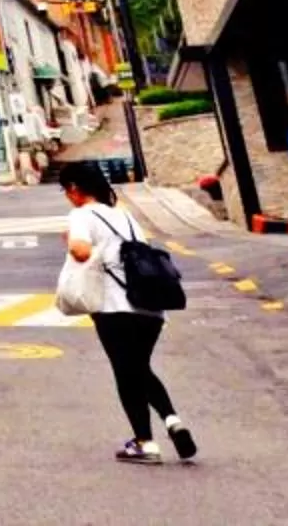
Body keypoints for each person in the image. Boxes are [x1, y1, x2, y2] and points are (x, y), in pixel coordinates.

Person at [60, 160, 195, 465]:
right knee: (140, 368)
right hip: (151, 308)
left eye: (66, 191)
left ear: (75, 189)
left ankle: (145, 443)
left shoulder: (82, 214)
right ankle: (173, 420)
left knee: (127, 373)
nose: (67, 197)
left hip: (114, 307)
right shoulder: (126, 216)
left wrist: (73, 242)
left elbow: (80, 251)